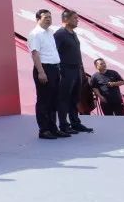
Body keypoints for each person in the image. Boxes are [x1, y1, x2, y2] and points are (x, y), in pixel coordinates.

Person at [53, 10, 94, 134]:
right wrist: (60, 71)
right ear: (66, 19)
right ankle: (63, 125)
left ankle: (75, 123)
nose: (77, 20)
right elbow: (54, 53)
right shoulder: (59, 34)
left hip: (77, 70)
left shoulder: (73, 34)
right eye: (75, 18)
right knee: (64, 98)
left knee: (75, 98)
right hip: (66, 70)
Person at [28, 9, 65, 140]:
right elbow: (35, 54)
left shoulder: (50, 32)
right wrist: (41, 72)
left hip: (54, 68)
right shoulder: (35, 34)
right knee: (44, 100)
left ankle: (53, 128)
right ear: (38, 19)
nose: (49, 19)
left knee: (53, 100)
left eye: (50, 17)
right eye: (45, 17)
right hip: (44, 68)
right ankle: (44, 130)